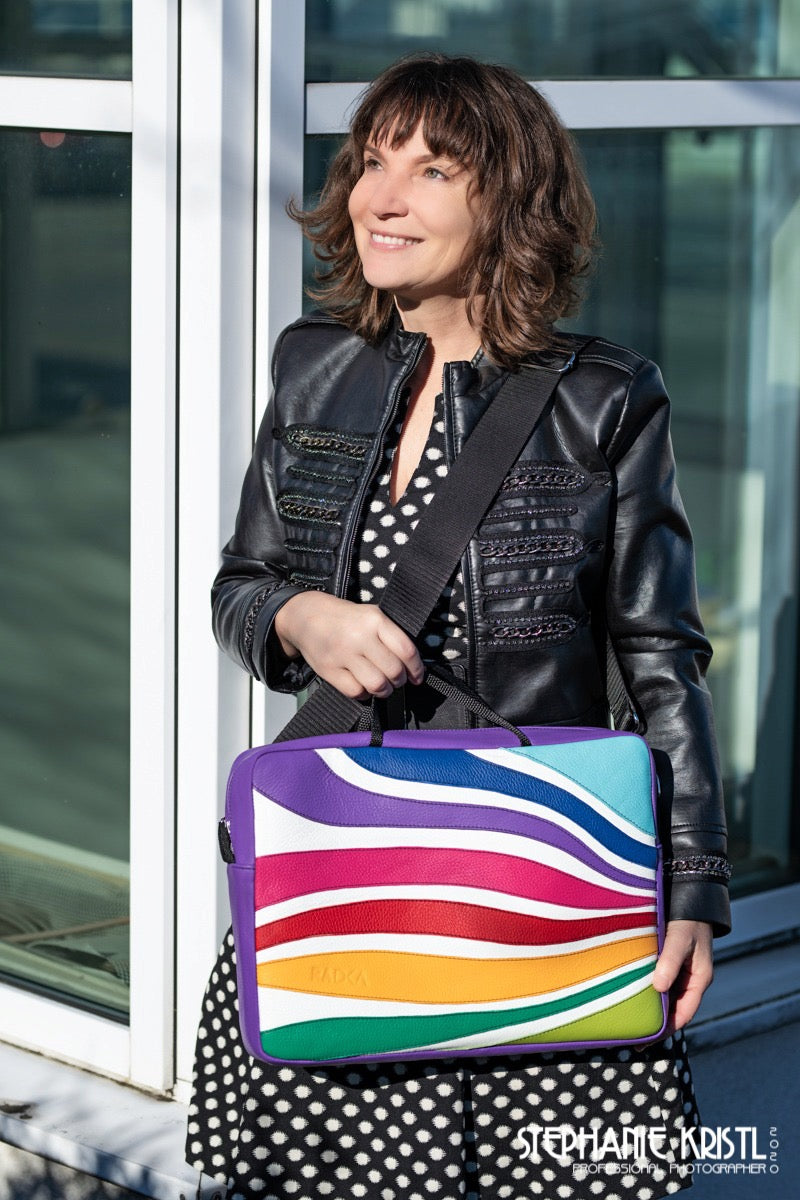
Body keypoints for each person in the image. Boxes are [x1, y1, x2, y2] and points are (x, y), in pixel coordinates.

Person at [186, 53, 731, 1200]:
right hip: (347, 886)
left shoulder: (605, 400)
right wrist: (299, 614)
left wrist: (686, 885)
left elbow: (659, 655)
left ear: (510, 200)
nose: (379, 199)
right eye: (371, 162)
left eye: (431, 170)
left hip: (531, 894)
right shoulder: (313, 366)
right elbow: (242, 581)